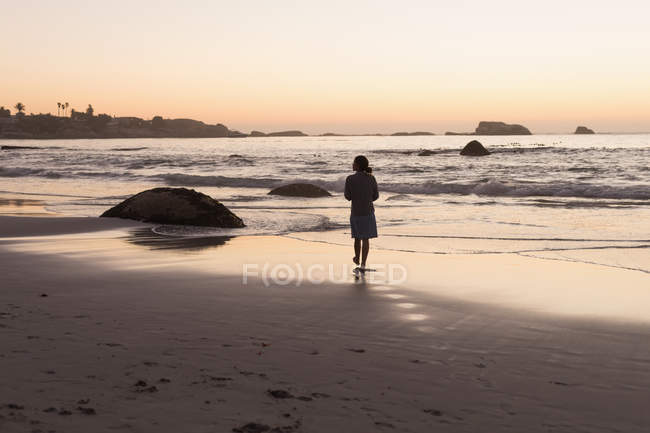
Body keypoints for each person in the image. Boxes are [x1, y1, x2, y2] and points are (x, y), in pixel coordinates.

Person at [344, 155, 378, 270]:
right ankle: (363, 263)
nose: (352, 164)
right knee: (366, 239)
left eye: (353, 162)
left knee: (357, 237)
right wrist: (366, 199)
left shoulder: (350, 179)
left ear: (357, 165)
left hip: (356, 212)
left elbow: (347, 197)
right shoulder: (371, 178)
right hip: (368, 211)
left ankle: (357, 259)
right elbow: (376, 196)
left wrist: (357, 197)